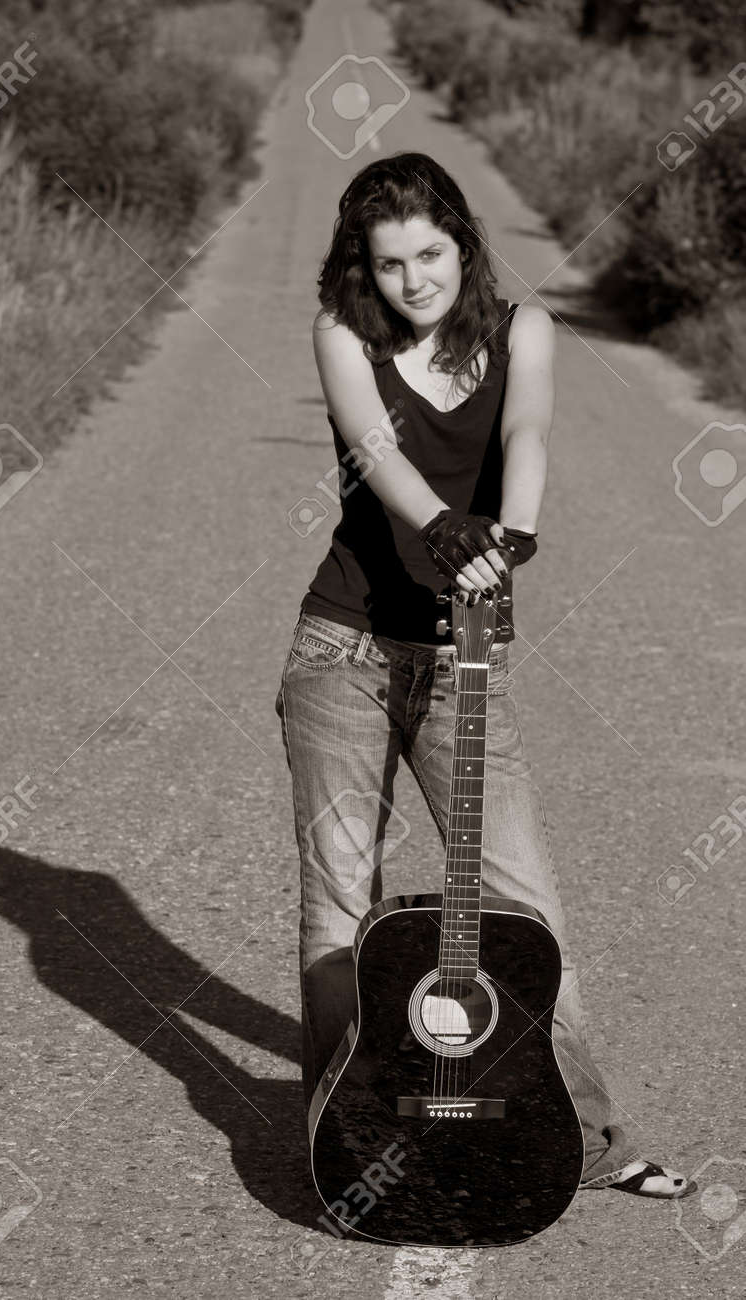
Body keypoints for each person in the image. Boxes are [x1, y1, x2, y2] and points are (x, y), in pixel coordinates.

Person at [275, 152, 695, 1201]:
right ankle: (346, 1141)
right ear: (361, 268)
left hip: (461, 653)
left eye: (429, 254)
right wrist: (442, 527)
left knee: (522, 904)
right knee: (339, 906)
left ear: (461, 244)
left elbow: (526, 429)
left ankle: (586, 1140)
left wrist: (512, 532)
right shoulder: (341, 334)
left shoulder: (524, 332)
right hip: (342, 649)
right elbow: (374, 451)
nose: (412, 280)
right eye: (388, 263)